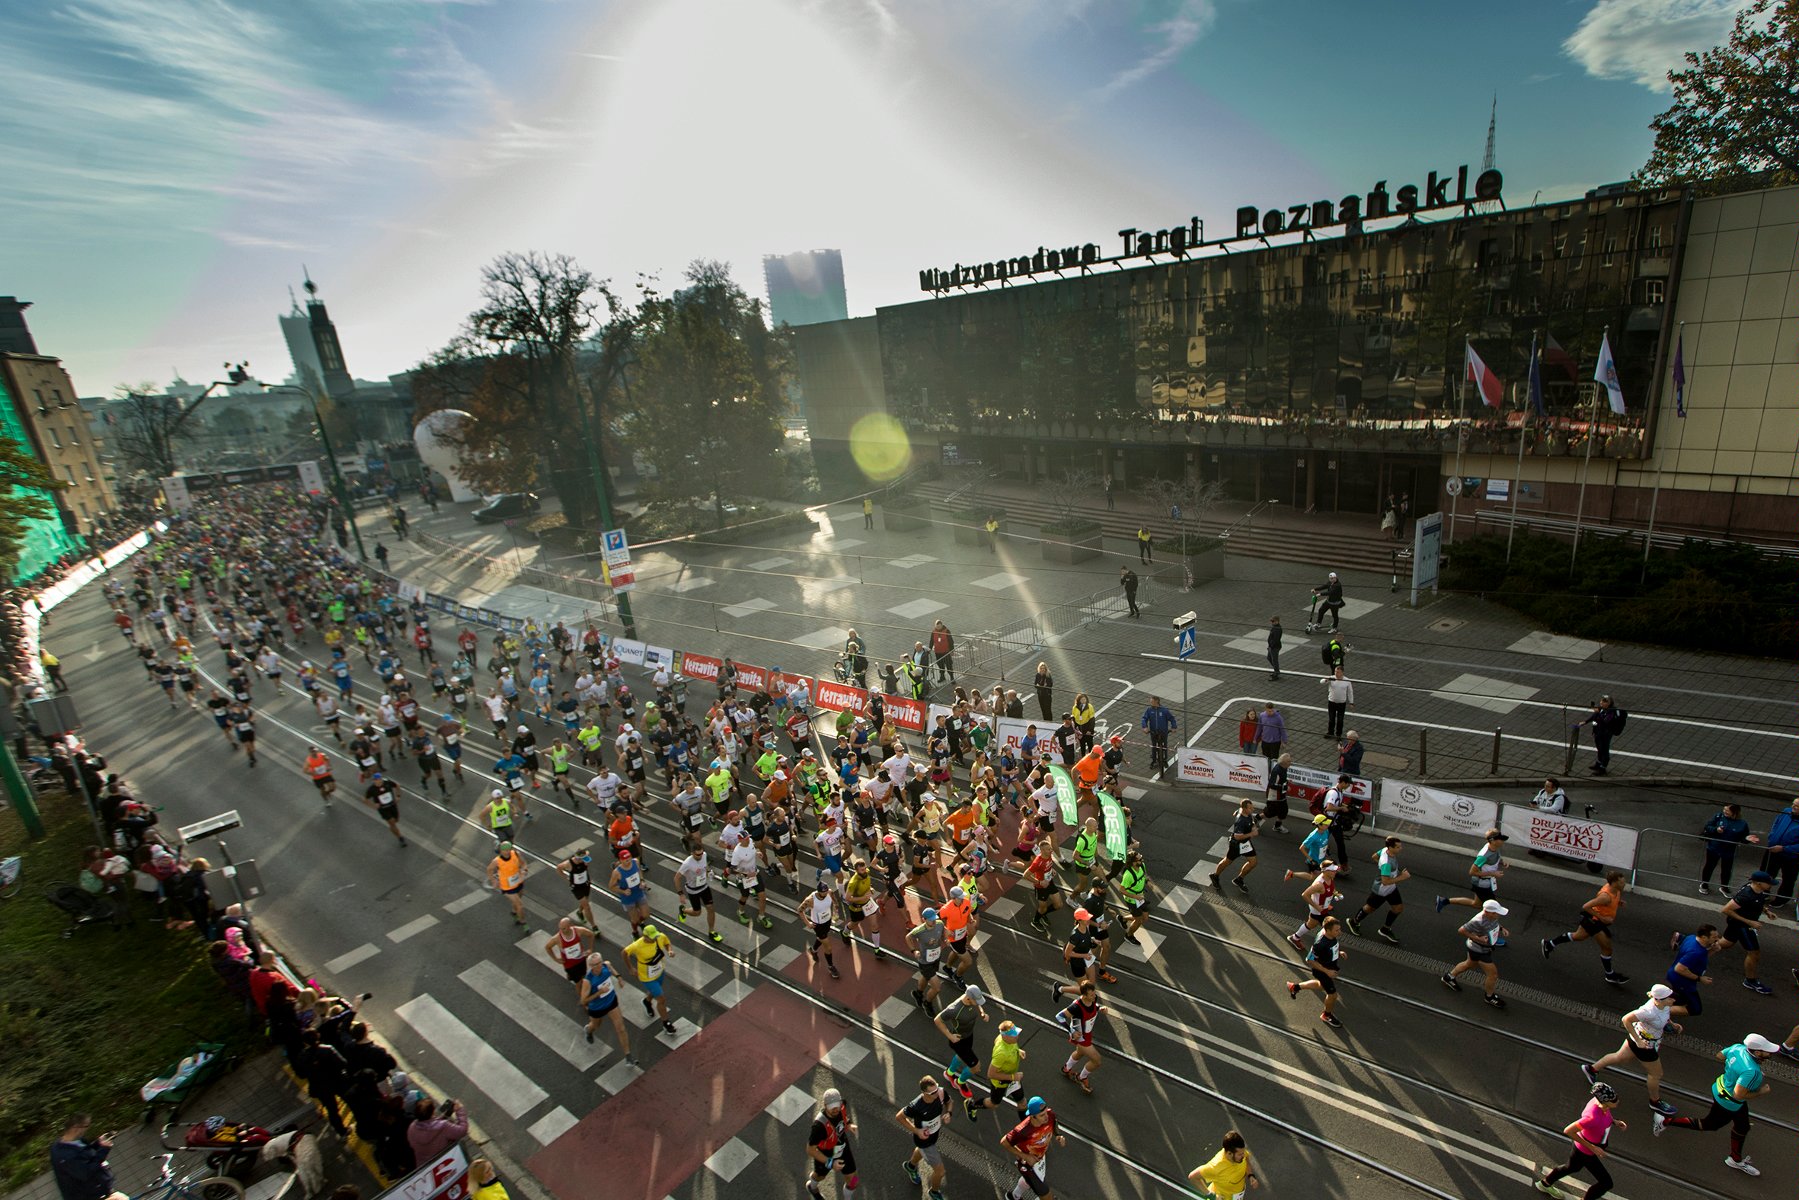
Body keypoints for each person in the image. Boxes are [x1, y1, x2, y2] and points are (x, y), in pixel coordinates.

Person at [1652, 1033, 1778, 1177]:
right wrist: (1761, 1091)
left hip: (1721, 1088)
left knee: (1742, 1126)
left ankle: (1735, 1159)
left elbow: (1720, 1056)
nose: (1770, 1053)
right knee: (1709, 1125)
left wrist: (1736, 1070)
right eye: (1767, 1051)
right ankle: (1664, 1121)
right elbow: (1738, 1094)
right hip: (1729, 1102)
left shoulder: (1738, 1048)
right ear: (1756, 1052)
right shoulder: (1752, 1072)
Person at [1583, 984, 1682, 1116]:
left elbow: (1665, 1013)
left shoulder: (1663, 1004)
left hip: (1641, 1037)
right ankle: (1655, 1102)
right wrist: (1639, 1041)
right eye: (1669, 998)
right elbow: (1626, 1019)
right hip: (1645, 1044)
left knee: (1620, 1057)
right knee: (1656, 1074)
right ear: (1658, 1000)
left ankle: (1591, 1069)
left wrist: (1671, 1025)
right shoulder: (1648, 1011)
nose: (1673, 1000)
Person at [1534, 1082, 1623, 1198]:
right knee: (1606, 1183)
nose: (1617, 1100)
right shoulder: (1591, 1118)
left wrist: (1614, 1122)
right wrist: (1593, 1148)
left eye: (1615, 1097)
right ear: (1605, 1101)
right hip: (1586, 1152)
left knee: (1571, 1167)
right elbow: (1568, 1131)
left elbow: (1605, 1116)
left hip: (1585, 1149)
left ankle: (1545, 1184)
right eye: (1614, 1100)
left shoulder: (1603, 1106)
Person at [1542, 870, 1630, 985]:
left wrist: (1618, 902)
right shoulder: (1605, 897)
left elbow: (1609, 902)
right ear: (1613, 883)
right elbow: (1586, 906)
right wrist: (1602, 918)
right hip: (1594, 922)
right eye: (1622, 883)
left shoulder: (1616, 890)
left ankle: (1549, 944)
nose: (1624, 885)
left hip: (1595, 920)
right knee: (1607, 948)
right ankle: (1609, 975)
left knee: (1579, 936)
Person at [1715, 870, 1780, 994]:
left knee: (1725, 943)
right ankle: (1750, 981)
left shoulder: (1758, 891)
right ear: (1759, 883)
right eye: (1769, 883)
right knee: (1754, 953)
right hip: (1742, 927)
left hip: (1740, 925)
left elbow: (1757, 902)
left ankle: (1688, 940)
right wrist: (1749, 922)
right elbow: (1726, 909)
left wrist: (1767, 911)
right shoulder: (1746, 895)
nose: (1771, 885)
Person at [1440, 898, 1509, 1010]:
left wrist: (1501, 928)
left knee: (1469, 964)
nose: (1498, 915)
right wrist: (1478, 938)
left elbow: (1493, 923)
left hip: (1482, 948)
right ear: (1487, 912)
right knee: (1493, 975)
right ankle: (1489, 997)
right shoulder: (1478, 921)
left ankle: (1449, 977)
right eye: (1496, 913)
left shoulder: (1491, 917)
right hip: (1479, 950)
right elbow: (1461, 930)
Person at [1345, 837, 1409, 944]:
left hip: (1391, 888)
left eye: (1400, 846)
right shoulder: (1387, 863)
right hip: (1381, 890)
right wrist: (1402, 877)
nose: (1401, 848)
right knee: (1369, 908)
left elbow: (1374, 856)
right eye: (1398, 847)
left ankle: (1385, 929)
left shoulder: (1384, 850)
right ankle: (1353, 922)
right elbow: (1385, 881)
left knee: (1398, 908)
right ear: (1390, 847)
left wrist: (1382, 867)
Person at [1285, 915, 1345, 1028]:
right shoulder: (1320, 944)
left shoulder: (1330, 936)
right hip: (1322, 971)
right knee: (1332, 995)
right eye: (1337, 930)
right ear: (1327, 930)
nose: (1339, 932)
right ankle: (1326, 1015)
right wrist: (1327, 972)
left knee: (1321, 986)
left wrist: (1338, 952)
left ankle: (1295, 987)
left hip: (1329, 967)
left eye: (1339, 929)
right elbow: (1309, 960)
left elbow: (1330, 947)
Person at [897, 1075, 949, 1200]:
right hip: (924, 1141)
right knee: (940, 1172)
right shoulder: (916, 1106)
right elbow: (899, 1117)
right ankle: (934, 1192)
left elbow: (949, 1101)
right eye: (932, 1092)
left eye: (936, 1089)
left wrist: (949, 1112)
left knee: (920, 1150)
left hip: (934, 1135)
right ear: (924, 1093)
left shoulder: (940, 1092)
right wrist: (916, 1131)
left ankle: (910, 1166)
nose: (936, 1093)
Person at [1001, 1097, 1064, 1200]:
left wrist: (1058, 1135)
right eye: (1042, 1115)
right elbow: (1004, 1142)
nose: (1046, 1117)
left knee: (1029, 1182)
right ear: (1033, 1116)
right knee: (1046, 1195)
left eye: (1046, 1112)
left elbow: (1054, 1123)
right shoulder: (1022, 1131)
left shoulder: (1049, 1115)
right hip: (1027, 1163)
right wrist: (1025, 1156)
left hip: (1040, 1158)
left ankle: (1014, 1196)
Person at [622, 924, 679, 1034]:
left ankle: (647, 1001)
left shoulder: (660, 937)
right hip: (647, 977)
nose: (654, 939)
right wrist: (630, 968)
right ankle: (666, 1023)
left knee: (655, 992)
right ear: (645, 936)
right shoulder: (637, 945)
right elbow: (624, 953)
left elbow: (667, 943)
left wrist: (670, 950)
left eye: (655, 936)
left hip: (660, 971)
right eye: (652, 937)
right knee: (661, 999)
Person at [50, 1115, 124, 1200]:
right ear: (76, 1128)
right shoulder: (64, 1155)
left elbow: (85, 1155)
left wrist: (98, 1143)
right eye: (86, 1126)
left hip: (103, 1191)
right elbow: (86, 1172)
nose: (87, 1129)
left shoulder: (75, 1142)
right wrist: (104, 1150)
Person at [578, 953, 633, 1063]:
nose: (597, 966)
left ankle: (628, 1057)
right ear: (589, 965)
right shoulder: (588, 981)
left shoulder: (606, 966)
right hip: (597, 1008)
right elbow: (583, 1001)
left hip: (611, 1001)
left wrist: (619, 978)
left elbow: (611, 968)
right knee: (595, 1025)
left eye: (598, 963)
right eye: (593, 965)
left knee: (621, 1028)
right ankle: (588, 1030)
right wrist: (599, 992)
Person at [805, 1088, 858, 1199]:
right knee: (820, 1176)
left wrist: (849, 1125)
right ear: (825, 1105)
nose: (835, 1109)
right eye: (831, 1106)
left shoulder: (842, 1105)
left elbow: (844, 1117)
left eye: (837, 1105)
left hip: (841, 1146)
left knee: (854, 1179)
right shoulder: (818, 1126)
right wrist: (831, 1163)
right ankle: (812, 1186)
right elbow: (810, 1150)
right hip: (826, 1153)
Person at [1698, 803, 1757, 894]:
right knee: (1709, 866)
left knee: (1726, 870)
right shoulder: (1718, 817)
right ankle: (1704, 884)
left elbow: (1743, 837)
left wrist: (1746, 838)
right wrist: (1716, 830)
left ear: (1734, 812)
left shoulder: (1742, 824)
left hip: (1729, 851)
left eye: (1727, 810)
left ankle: (1724, 887)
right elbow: (1708, 826)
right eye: (1724, 809)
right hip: (1714, 848)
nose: (1724, 811)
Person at [1663, 924, 1720, 1016]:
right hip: (1682, 982)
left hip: (1676, 978)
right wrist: (1700, 978)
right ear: (1704, 937)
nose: (1717, 939)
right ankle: (1659, 1012)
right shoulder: (1696, 952)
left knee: (1680, 999)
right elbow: (1679, 968)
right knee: (1695, 1009)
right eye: (1714, 937)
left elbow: (1701, 958)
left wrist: (1713, 950)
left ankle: (1660, 1004)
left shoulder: (1691, 938)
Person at [1208, 799, 1261, 893]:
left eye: (1252, 806)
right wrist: (1251, 834)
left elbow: (1236, 812)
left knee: (1253, 862)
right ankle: (1215, 876)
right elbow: (1237, 837)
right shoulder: (1240, 821)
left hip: (1246, 844)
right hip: (1236, 845)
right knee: (1227, 862)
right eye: (1250, 808)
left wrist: (1252, 825)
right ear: (1244, 809)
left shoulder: (1243, 812)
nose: (1252, 809)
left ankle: (1239, 879)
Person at [1189, 1129, 1260, 1199]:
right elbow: (1193, 1177)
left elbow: (1246, 1159)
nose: (1243, 1155)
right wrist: (1211, 1196)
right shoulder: (1216, 1167)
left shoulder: (1240, 1154)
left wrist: (1250, 1175)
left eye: (1243, 1152)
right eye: (1240, 1154)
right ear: (1229, 1153)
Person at [1759, 795, 1799, 906]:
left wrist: (1784, 848)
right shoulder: (1786, 811)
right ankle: (1763, 892)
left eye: (1796, 806)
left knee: (1788, 878)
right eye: (1793, 804)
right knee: (1766, 873)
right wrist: (1772, 836)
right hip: (1773, 850)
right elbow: (1776, 823)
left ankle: (1782, 899)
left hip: (1791, 856)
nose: (1792, 807)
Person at [406, 1097, 468, 1166]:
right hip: (445, 1161)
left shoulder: (412, 1127)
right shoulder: (443, 1126)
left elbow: (412, 1144)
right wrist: (460, 1110)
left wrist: (444, 1116)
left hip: (424, 1166)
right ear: (432, 1112)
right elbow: (462, 1130)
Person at [1574, 695, 1626, 775]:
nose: (1601, 702)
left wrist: (1599, 713)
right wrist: (1586, 721)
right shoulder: (1601, 709)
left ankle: (1603, 768)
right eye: (1601, 700)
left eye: (1604, 701)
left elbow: (1605, 721)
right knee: (1599, 748)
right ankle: (1598, 764)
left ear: (1609, 703)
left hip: (1606, 734)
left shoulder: (1611, 712)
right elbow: (1594, 716)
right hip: (1598, 732)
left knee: (1604, 750)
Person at [486, 842, 527, 926]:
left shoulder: (516, 853)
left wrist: (524, 870)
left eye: (508, 849)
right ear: (500, 851)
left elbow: (523, 864)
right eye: (504, 850)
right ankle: (522, 922)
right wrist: (493, 881)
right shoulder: (497, 861)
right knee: (520, 905)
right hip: (507, 887)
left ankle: (514, 911)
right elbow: (489, 869)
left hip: (518, 882)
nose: (507, 852)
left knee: (518, 899)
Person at [1140, 696, 1175, 775]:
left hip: (1163, 732)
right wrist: (1144, 727)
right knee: (1154, 746)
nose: (1150, 703)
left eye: (1152, 702)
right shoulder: (1149, 710)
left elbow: (1172, 718)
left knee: (1165, 746)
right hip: (1153, 732)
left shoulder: (1164, 710)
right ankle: (1154, 760)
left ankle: (1165, 760)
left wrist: (1173, 727)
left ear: (1157, 702)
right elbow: (1144, 718)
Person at [1319, 668, 1353, 738]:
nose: (1336, 673)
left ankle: (1338, 735)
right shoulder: (1332, 678)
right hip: (1332, 702)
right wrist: (1326, 680)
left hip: (1341, 703)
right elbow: (1321, 681)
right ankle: (1330, 732)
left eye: (1338, 672)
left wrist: (1351, 702)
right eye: (1335, 671)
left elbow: (1350, 692)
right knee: (1331, 719)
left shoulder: (1347, 680)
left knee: (1340, 720)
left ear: (1342, 672)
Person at [1266, 616, 1282, 681]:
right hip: (1272, 646)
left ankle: (1276, 673)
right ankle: (1276, 670)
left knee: (1274, 660)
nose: (1272, 623)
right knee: (1269, 658)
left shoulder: (1278, 629)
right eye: (1271, 621)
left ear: (1277, 621)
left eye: (1273, 621)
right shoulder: (1274, 627)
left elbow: (1276, 640)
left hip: (1274, 647)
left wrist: (1271, 647)